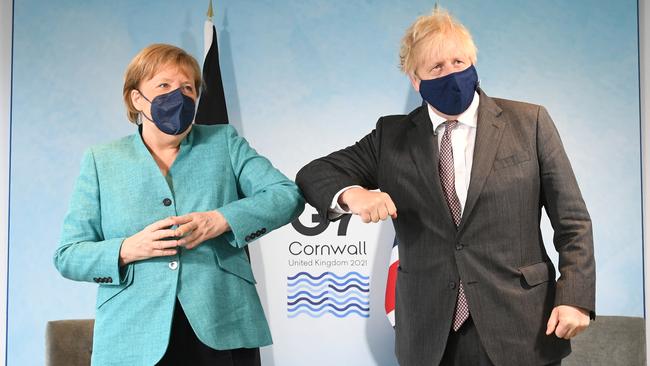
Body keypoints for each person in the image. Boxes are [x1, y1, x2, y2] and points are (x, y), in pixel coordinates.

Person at [296, 8, 594, 366]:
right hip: (429, 336)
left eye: (458, 61)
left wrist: (575, 297)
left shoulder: (529, 122)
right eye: (436, 67)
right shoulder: (391, 137)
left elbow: (573, 221)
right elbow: (315, 173)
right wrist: (352, 194)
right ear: (415, 79)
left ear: (473, 61)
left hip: (522, 327)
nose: (451, 74)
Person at [54, 44, 304, 366]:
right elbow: (68, 255)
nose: (179, 96)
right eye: (164, 86)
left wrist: (221, 219)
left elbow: (286, 195)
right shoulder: (101, 160)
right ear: (136, 99)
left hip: (223, 323)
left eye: (188, 88)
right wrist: (128, 248)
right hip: (133, 337)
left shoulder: (224, 141)